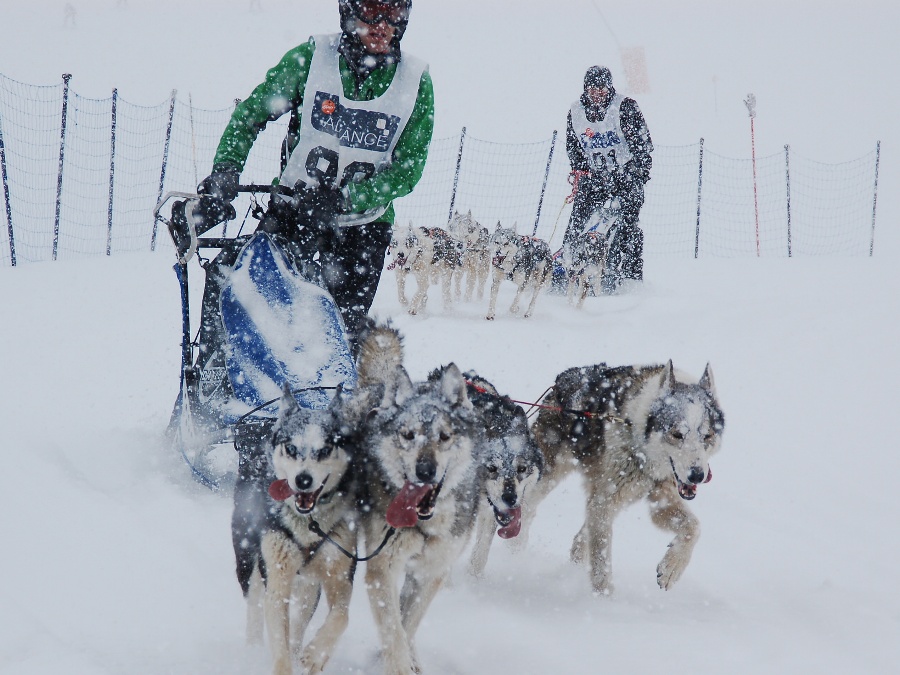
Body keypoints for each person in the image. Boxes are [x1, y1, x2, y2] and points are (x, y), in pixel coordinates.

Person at [173, 0, 433, 374]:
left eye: (392, 13)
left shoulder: (415, 82)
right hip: (295, 213)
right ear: (349, 14)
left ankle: (324, 416)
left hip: (364, 230)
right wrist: (226, 170)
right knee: (233, 283)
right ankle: (214, 373)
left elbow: (408, 170)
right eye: (371, 11)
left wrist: (346, 199)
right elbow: (250, 114)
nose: (381, 24)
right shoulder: (312, 59)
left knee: (337, 339)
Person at [562, 65, 652, 292]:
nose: (597, 93)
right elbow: (574, 147)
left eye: (601, 88)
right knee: (577, 223)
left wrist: (639, 172)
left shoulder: (624, 107)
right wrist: (580, 169)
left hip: (626, 175)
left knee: (627, 226)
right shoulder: (576, 112)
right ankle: (567, 269)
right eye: (592, 88)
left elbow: (643, 144)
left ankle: (627, 277)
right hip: (595, 177)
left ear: (609, 87)